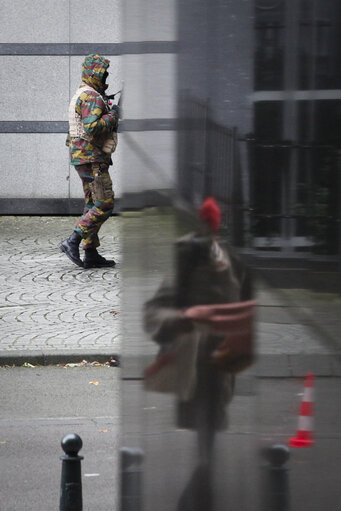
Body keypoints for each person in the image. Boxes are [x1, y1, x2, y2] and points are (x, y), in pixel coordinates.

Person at [59, 54, 119, 269]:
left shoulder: (84, 93)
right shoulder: (91, 96)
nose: (105, 77)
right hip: (92, 159)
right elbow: (93, 127)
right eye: (103, 74)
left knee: (92, 204)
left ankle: (91, 252)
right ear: (95, 74)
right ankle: (72, 241)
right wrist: (114, 115)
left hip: (83, 157)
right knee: (104, 203)